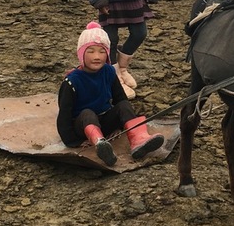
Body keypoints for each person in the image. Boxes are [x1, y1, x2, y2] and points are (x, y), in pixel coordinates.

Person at [56, 21, 164, 166]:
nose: (97, 56)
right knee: (88, 113)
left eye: (102, 51)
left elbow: (120, 98)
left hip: (103, 120)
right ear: (81, 54)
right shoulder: (71, 81)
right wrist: (73, 141)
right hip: (83, 126)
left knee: (124, 105)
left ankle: (139, 140)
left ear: (107, 54)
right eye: (91, 51)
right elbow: (64, 114)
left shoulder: (109, 71)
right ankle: (101, 145)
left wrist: (118, 126)